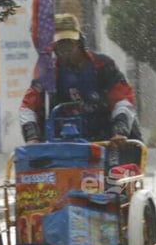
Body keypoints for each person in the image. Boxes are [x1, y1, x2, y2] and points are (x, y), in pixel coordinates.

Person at [19, 13, 141, 146]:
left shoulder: (103, 65)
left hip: (110, 138)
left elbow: (122, 100)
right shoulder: (48, 72)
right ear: (54, 47)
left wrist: (120, 131)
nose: (65, 50)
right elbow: (28, 107)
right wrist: (32, 137)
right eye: (60, 44)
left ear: (79, 42)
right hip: (65, 140)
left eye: (69, 43)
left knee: (128, 152)